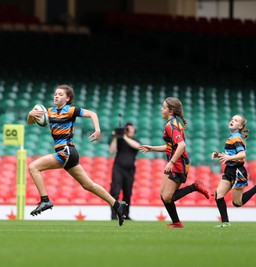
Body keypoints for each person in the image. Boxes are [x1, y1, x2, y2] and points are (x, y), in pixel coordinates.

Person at [27, 84, 127, 226]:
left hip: (66, 151)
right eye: (55, 94)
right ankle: (117, 204)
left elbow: (92, 114)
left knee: (33, 167)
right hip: (69, 153)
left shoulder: (71, 110)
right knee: (88, 185)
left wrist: (97, 130)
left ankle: (45, 200)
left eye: (60, 94)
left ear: (67, 98)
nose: (56, 96)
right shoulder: (49, 112)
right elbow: (31, 122)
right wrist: (30, 115)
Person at [139, 97, 210, 228]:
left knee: (167, 197)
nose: (161, 109)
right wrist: (152, 148)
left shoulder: (171, 125)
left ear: (171, 111)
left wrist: (171, 162)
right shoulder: (174, 123)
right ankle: (176, 222)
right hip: (176, 163)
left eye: (164, 107)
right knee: (162, 193)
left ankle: (194, 186)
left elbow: (182, 145)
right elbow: (172, 146)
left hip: (178, 164)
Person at [211, 114, 256, 228]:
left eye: (236, 120)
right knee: (218, 195)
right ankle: (225, 222)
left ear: (240, 126)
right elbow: (232, 155)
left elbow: (242, 154)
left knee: (237, 203)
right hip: (229, 170)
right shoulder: (232, 137)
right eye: (232, 119)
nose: (232, 121)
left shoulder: (236, 138)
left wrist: (227, 158)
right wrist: (219, 155)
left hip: (237, 171)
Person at [109, 121, 140, 220]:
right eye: (127, 129)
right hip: (118, 168)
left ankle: (126, 214)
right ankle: (114, 215)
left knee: (128, 193)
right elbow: (112, 151)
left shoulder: (135, 140)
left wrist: (124, 136)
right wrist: (115, 137)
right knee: (115, 192)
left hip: (130, 170)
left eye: (131, 128)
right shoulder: (120, 140)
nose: (129, 130)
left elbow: (138, 146)